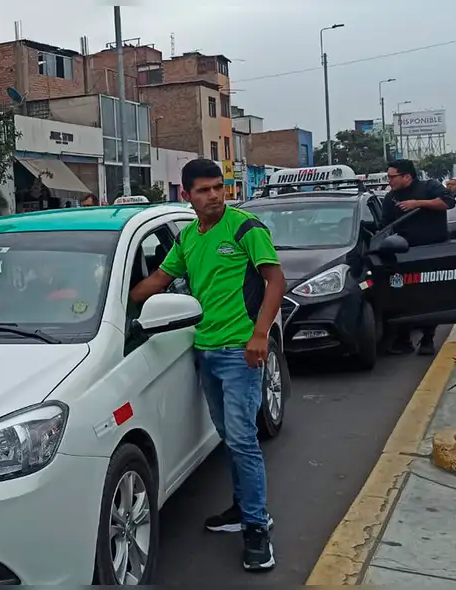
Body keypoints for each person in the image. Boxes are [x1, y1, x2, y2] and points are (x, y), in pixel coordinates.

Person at [130, 158, 286, 572]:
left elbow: (276, 280)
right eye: (204, 190)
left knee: (241, 439)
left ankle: (257, 527)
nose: (214, 195)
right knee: (228, 436)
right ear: (187, 195)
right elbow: (157, 283)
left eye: (218, 187)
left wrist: (260, 335)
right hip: (204, 349)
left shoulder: (243, 227)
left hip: (240, 351)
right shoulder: (186, 239)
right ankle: (241, 509)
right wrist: (110, 304)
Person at [382, 160, 456, 356]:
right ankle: (403, 339)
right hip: (403, 255)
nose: (389, 180)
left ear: (407, 176)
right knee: (402, 296)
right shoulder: (390, 199)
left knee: (430, 297)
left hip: (433, 252)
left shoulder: (429, 186)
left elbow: (448, 202)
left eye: (392, 176)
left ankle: (427, 339)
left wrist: (418, 204)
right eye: (388, 176)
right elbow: (384, 227)